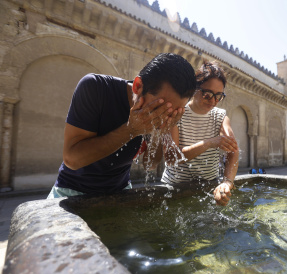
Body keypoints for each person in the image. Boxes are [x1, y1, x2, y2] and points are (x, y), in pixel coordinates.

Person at [47, 53, 196, 198]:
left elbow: (150, 165)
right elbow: (72, 159)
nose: (163, 116)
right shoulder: (96, 88)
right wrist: (131, 130)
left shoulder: (158, 115)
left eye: (173, 112)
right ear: (138, 86)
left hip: (120, 192)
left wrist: (161, 131)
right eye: (160, 108)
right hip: (71, 191)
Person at [160, 60, 239, 206]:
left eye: (218, 96)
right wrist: (209, 143)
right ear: (194, 88)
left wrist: (227, 182)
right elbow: (171, 157)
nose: (213, 101)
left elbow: (233, 151)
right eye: (207, 94)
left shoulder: (220, 116)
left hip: (208, 188)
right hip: (174, 189)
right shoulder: (177, 112)